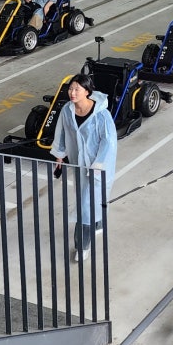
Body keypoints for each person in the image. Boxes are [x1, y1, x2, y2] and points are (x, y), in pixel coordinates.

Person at [51, 73, 118, 261]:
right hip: (79, 162)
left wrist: (98, 163)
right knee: (87, 197)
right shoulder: (67, 110)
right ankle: (98, 223)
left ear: (87, 91)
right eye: (70, 89)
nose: (72, 93)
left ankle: (82, 246)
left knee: (87, 204)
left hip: (100, 163)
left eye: (77, 89)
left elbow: (109, 141)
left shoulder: (101, 115)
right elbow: (61, 132)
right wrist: (59, 155)